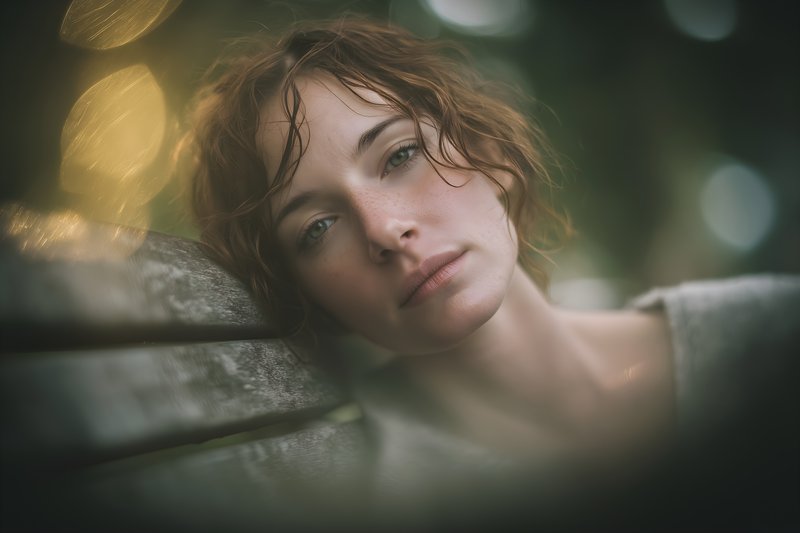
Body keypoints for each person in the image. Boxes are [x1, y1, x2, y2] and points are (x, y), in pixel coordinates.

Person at [183, 15, 799, 530]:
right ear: (309, 296)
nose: (383, 229)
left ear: (490, 154)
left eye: (400, 154)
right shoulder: (375, 507)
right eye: (316, 227)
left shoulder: (769, 337)